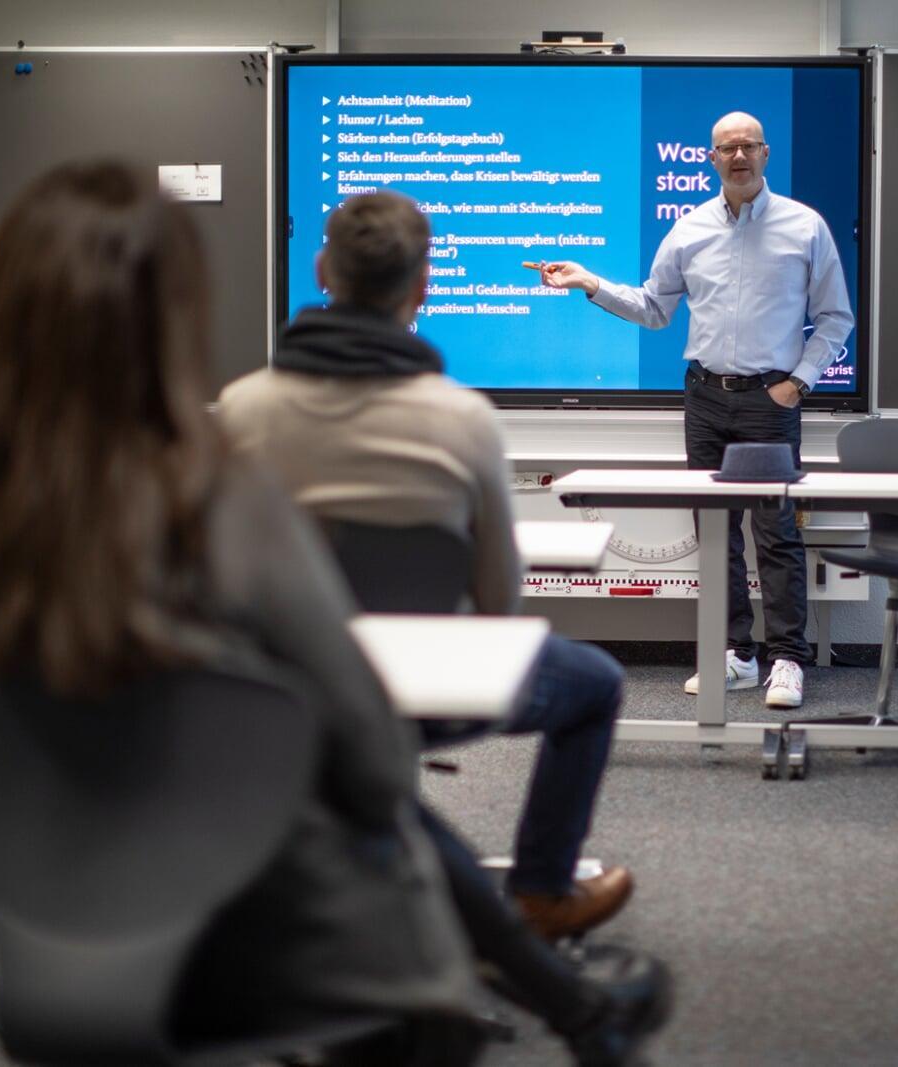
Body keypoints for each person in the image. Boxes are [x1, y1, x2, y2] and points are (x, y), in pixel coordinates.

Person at [0, 161, 667, 1064]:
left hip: (49, 959)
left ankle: (572, 1003)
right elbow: (376, 768)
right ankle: (570, 999)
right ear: (178, 318)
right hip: (276, 955)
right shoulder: (221, 502)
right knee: (335, 766)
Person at [220, 191, 633, 942]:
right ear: (424, 285)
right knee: (596, 684)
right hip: (432, 690)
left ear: (322, 271)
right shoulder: (461, 418)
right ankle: (542, 894)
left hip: (282, 692)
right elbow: (498, 599)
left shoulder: (241, 409)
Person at [540, 111, 854, 709]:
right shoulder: (688, 230)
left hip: (769, 399)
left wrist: (798, 384)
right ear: (711, 159)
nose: (738, 156)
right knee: (714, 533)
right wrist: (590, 283)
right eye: (726, 148)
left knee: (776, 533)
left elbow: (836, 316)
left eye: (747, 146)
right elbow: (654, 308)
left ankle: (787, 658)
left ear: (765, 153)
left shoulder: (804, 226)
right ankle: (736, 654)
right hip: (706, 399)